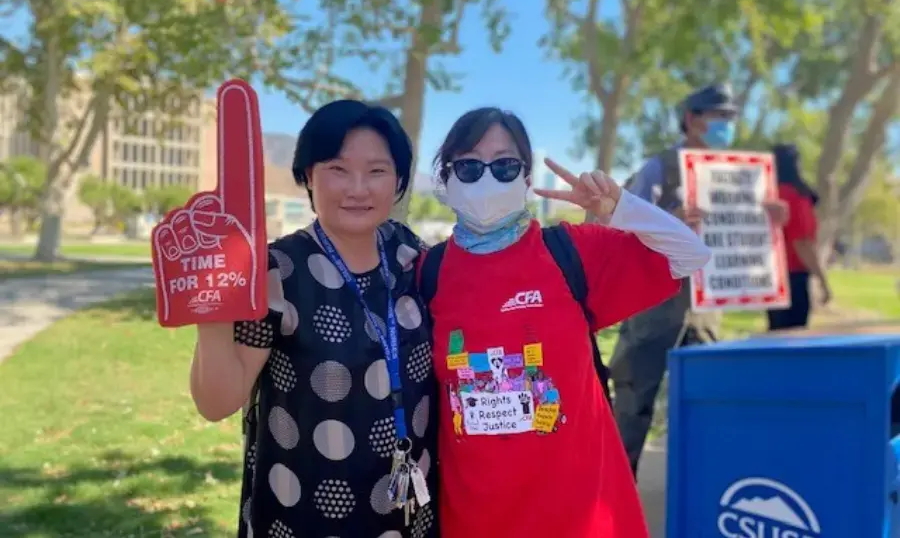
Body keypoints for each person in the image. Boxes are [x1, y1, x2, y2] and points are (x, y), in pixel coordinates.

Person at [417, 107, 711, 538]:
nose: (486, 179)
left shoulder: (572, 253)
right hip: (475, 518)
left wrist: (620, 209)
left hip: (581, 517)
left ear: (525, 177)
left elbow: (689, 255)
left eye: (504, 165)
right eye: (468, 165)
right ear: (447, 178)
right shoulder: (429, 272)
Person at [189, 100, 438, 538]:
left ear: (399, 180)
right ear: (307, 176)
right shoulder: (277, 270)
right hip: (302, 511)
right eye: (337, 170)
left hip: (407, 512)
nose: (358, 189)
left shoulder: (409, 255)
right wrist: (210, 312)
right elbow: (217, 403)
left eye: (377, 171)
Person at [611, 83, 789, 476]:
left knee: (706, 408)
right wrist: (668, 223)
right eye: (718, 116)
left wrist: (770, 222)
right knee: (632, 407)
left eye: (730, 118)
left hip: (707, 315)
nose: (726, 125)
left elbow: (744, 242)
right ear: (691, 119)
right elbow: (619, 231)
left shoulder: (741, 178)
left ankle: (700, 497)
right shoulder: (659, 168)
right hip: (654, 311)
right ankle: (613, 505)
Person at [767, 143, 831, 330]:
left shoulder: (770, 197)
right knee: (794, 336)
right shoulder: (796, 197)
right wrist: (822, 279)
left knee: (775, 335)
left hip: (772, 278)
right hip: (794, 278)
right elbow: (802, 243)